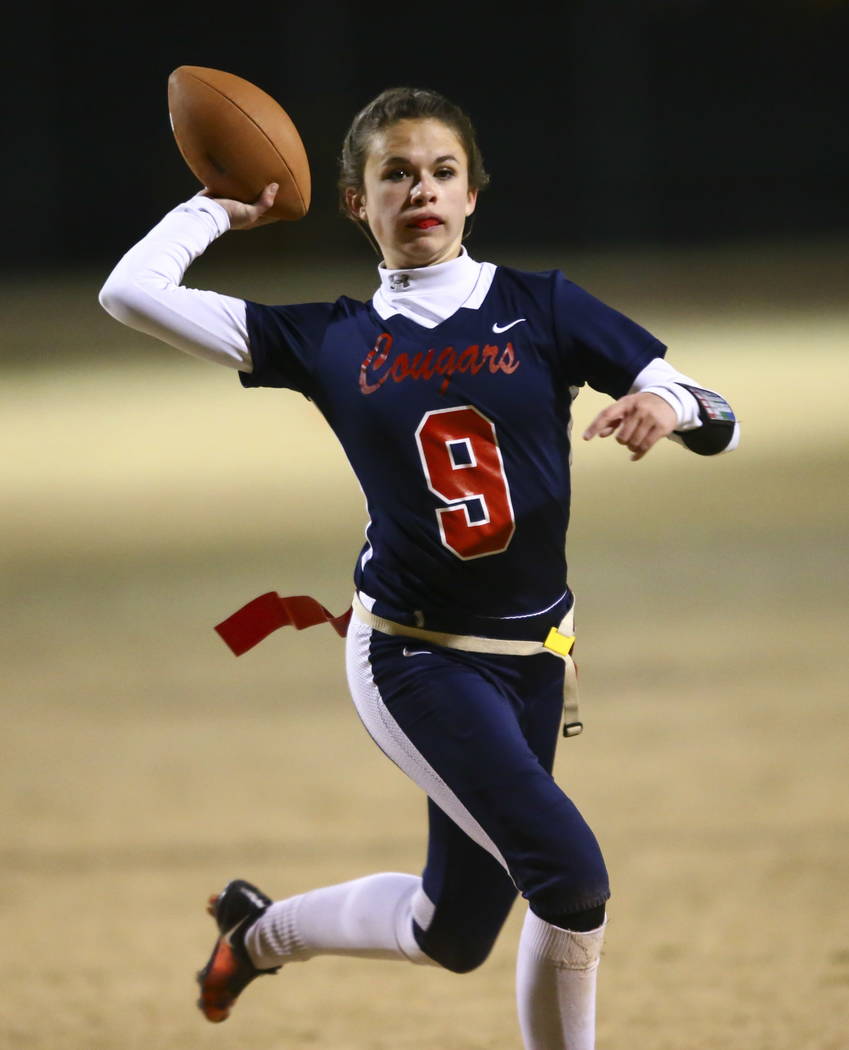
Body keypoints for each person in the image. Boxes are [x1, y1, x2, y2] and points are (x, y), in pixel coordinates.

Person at [99, 85, 739, 1050]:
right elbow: (129, 295)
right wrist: (218, 205)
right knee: (570, 880)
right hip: (413, 657)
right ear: (357, 202)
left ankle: (257, 932)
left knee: (451, 933)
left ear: (473, 193)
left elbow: (718, 415)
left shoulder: (545, 307)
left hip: (532, 658)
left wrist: (673, 409)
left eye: (442, 172)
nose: (421, 190)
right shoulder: (328, 338)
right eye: (394, 174)